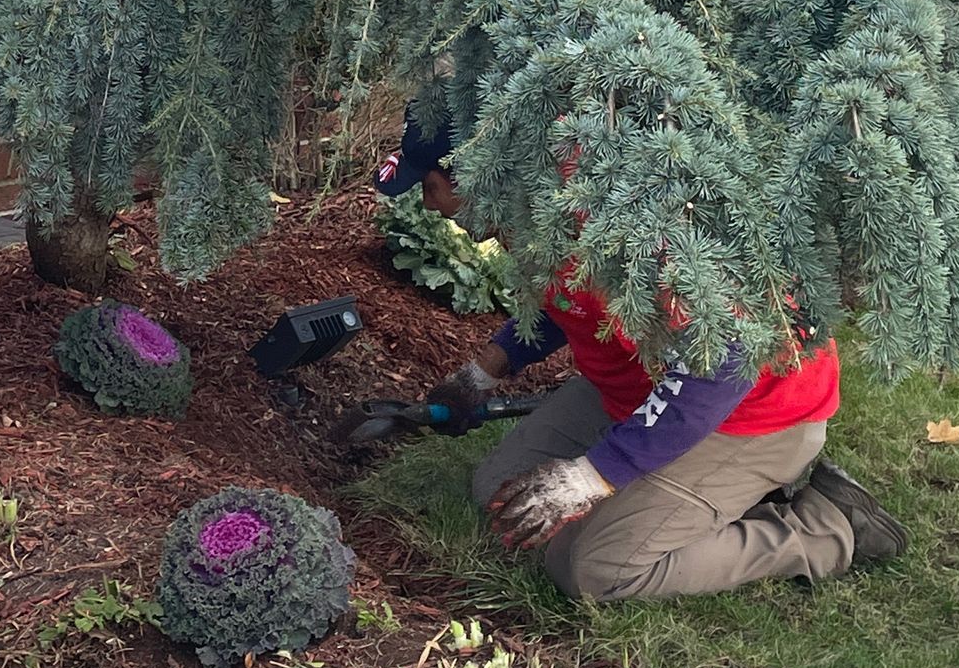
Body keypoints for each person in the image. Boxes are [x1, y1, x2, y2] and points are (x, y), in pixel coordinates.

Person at [373, 115, 906, 601]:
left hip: (749, 414)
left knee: (593, 568)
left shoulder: (623, 220)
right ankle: (683, 501)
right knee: (502, 494)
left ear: (476, 173)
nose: (429, 204)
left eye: (430, 187)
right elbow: (568, 300)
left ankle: (824, 528)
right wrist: (480, 375)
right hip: (641, 387)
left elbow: (719, 366)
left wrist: (595, 476)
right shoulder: (537, 206)